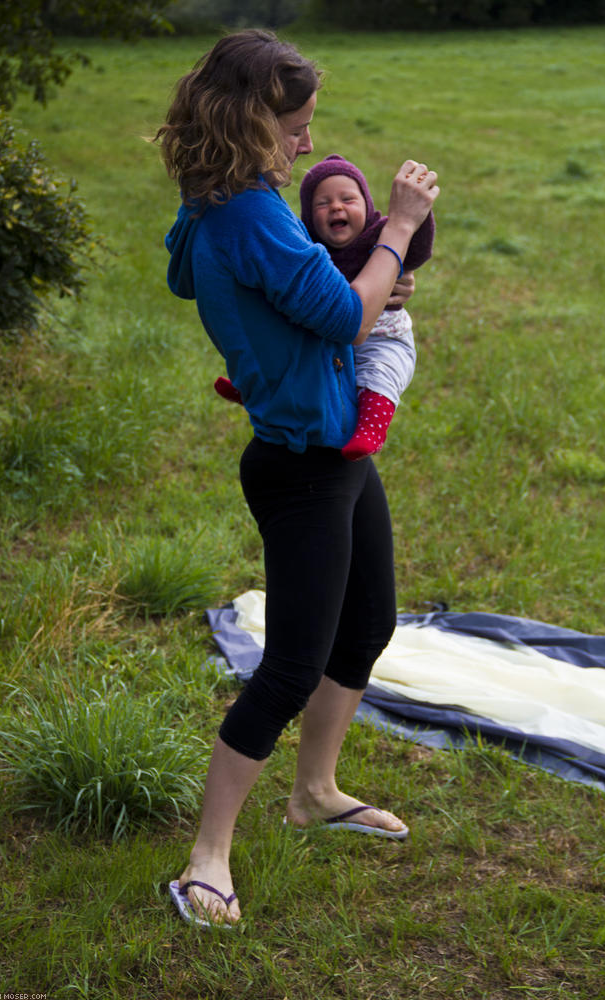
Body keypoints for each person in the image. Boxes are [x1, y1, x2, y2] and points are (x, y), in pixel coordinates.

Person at [156, 28, 439, 928]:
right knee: (289, 667)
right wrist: (394, 227)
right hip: (300, 466)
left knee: (369, 621)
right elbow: (346, 318)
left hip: (337, 453)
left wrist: (304, 275)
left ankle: (313, 790)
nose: (307, 146)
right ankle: (207, 858)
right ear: (247, 122)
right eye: (294, 128)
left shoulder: (215, 203)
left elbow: (186, 276)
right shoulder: (245, 214)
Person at [215, 154, 435, 461]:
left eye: (348, 199)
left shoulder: (380, 233)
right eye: (322, 203)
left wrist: (417, 213)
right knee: (292, 351)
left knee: (380, 372)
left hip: (383, 334)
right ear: (308, 217)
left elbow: (418, 249)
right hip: (335, 334)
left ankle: (371, 430)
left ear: (368, 207)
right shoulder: (308, 248)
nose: (336, 207)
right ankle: (256, 389)